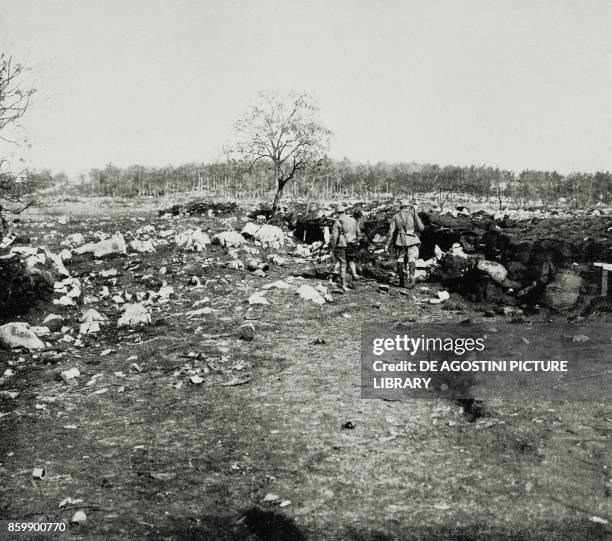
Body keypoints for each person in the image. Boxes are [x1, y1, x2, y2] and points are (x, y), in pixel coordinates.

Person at [384, 198, 425, 288]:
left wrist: (387, 244)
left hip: (400, 241)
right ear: (408, 206)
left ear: (400, 206)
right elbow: (421, 228)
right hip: (412, 239)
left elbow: (390, 232)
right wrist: (414, 229)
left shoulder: (396, 216)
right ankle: (411, 277)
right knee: (412, 259)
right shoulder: (413, 214)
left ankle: (402, 279)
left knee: (400, 259)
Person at [331, 205, 362, 290]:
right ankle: (355, 275)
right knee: (351, 260)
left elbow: (334, 237)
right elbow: (359, 234)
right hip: (352, 244)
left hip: (342, 244)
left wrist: (332, 248)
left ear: (337, 213)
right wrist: (356, 242)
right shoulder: (353, 220)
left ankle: (343, 283)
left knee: (343, 263)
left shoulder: (337, 222)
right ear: (344, 212)